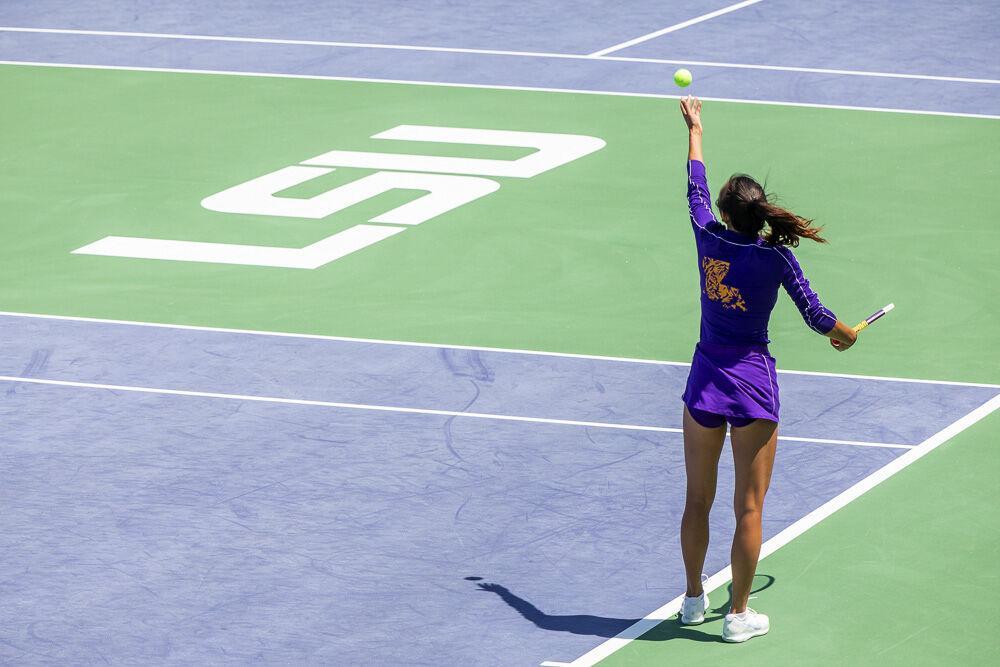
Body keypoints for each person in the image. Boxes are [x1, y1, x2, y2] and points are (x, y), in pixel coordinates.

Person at [675, 96, 858, 643]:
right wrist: (842, 335)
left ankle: (691, 600)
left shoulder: (707, 236)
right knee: (748, 506)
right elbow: (816, 314)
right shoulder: (775, 256)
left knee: (697, 501)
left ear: (727, 214)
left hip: (705, 383)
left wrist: (696, 131)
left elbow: (695, 187)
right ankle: (737, 617)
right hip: (753, 388)